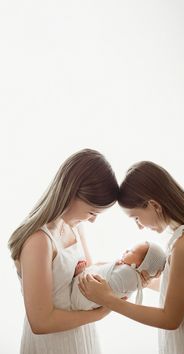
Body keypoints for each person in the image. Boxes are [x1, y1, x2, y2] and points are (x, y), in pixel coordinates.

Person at [79, 161, 184, 354]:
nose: (139, 226)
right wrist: (145, 282)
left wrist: (110, 300)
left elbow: (170, 319)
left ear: (153, 205)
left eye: (136, 217)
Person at [8, 148, 119, 354]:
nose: (93, 219)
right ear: (71, 193)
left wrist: (117, 268)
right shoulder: (39, 241)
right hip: (53, 345)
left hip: (82, 338)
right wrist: (100, 314)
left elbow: (86, 274)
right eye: (92, 211)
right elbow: (41, 322)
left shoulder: (75, 227)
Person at [71, 241, 166, 310]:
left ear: (141, 265)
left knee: (87, 280)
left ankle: (79, 276)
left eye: (132, 251)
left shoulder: (129, 275)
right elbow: (103, 272)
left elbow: (107, 284)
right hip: (85, 299)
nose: (126, 250)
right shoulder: (128, 273)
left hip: (84, 295)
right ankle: (80, 275)